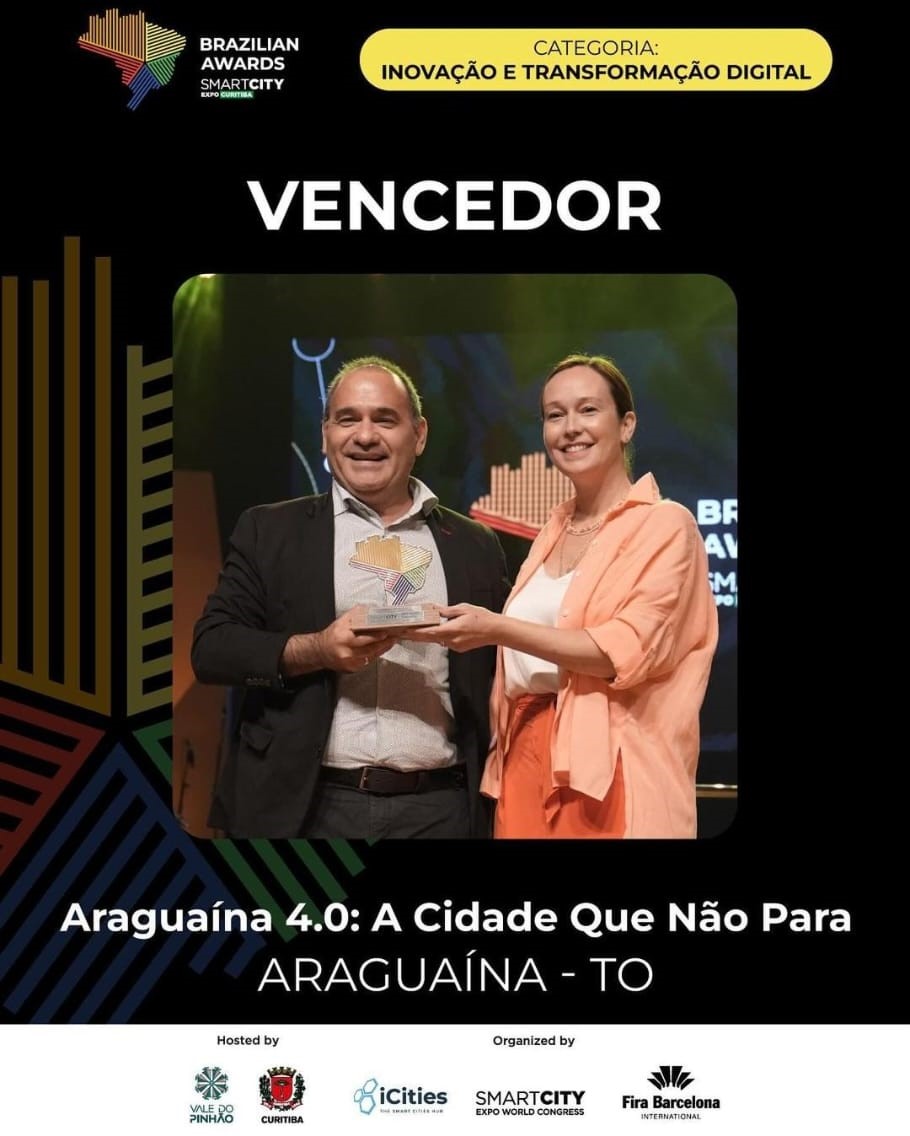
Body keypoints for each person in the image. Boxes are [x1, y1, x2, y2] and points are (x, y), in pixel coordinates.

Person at [401, 354, 718, 838]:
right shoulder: (552, 530)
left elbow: (618, 652)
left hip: (611, 766)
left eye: (588, 410)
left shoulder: (665, 524)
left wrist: (495, 627)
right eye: (555, 415)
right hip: (523, 754)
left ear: (626, 424)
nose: (570, 428)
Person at [191, 356, 510, 839]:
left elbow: (506, 669)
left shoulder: (474, 544)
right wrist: (317, 649)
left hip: (443, 811)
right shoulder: (269, 530)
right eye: (347, 419)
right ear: (325, 436)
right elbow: (212, 649)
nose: (364, 435)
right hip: (306, 808)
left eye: (385, 419)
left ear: (419, 434)